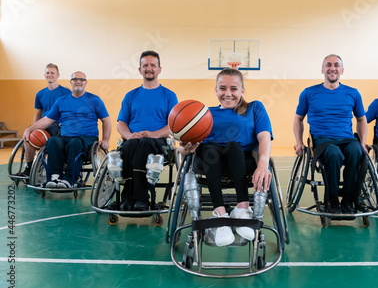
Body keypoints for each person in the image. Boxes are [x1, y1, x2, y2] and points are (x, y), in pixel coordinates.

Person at [180, 68, 272, 247]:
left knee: (234, 146)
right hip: (209, 162)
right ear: (215, 90)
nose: (227, 93)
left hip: (242, 162)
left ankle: (242, 209)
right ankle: (220, 214)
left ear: (242, 91)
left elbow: (264, 136)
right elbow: (182, 150)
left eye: (234, 89)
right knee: (209, 149)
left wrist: (263, 163)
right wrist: (185, 149)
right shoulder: (204, 114)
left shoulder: (254, 108)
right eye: (222, 88)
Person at [293, 54, 367, 215]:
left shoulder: (352, 93)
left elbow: (361, 119)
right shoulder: (309, 92)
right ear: (322, 69)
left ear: (342, 70)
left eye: (336, 65)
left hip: (347, 138)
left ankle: (349, 200)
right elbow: (298, 119)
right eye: (328, 65)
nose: (332, 68)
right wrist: (299, 142)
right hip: (322, 139)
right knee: (333, 154)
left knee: (356, 151)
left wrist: (362, 143)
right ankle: (332, 199)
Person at [22, 71, 111, 188]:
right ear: (70, 82)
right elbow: (47, 120)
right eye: (75, 79)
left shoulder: (94, 100)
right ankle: (55, 177)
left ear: (86, 82)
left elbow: (106, 120)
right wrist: (29, 130)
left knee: (75, 142)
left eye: (82, 79)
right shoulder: (61, 100)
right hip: (65, 137)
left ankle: (71, 179)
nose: (78, 81)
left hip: (87, 138)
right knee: (53, 141)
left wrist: (105, 140)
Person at [117, 50, 178, 212]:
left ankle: (140, 197)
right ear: (140, 70)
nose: (149, 68)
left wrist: (154, 134)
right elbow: (121, 123)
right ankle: (131, 197)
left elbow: (173, 125)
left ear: (159, 69)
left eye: (153, 65)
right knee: (130, 145)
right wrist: (129, 135)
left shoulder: (169, 95)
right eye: (145, 65)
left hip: (158, 142)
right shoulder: (131, 95)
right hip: (134, 139)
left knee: (144, 143)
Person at [18, 63, 71, 177]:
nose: (50, 75)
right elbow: (38, 114)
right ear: (44, 75)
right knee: (29, 135)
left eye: (52, 73)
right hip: (45, 124)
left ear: (58, 75)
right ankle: (29, 167)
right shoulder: (40, 94)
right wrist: (33, 128)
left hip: (59, 126)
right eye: (47, 73)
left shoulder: (66, 93)